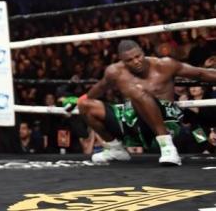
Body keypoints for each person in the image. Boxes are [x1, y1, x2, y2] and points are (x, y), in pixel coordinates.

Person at [77, 39, 216, 166]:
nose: (136, 61)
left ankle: (167, 148)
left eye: (138, 56)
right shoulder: (115, 72)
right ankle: (115, 149)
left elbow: (200, 74)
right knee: (85, 105)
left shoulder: (164, 65)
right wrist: (82, 98)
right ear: (122, 61)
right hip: (134, 121)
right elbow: (100, 87)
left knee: (136, 91)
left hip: (167, 122)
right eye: (130, 60)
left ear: (143, 53)